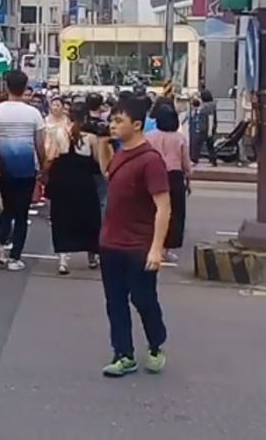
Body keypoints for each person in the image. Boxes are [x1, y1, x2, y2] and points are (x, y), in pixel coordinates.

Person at [99, 95, 172, 378]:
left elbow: (163, 207)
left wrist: (156, 248)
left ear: (137, 124)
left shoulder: (150, 160)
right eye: (112, 120)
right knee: (114, 301)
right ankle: (123, 354)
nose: (113, 125)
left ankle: (156, 344)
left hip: (138, 245)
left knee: (143, 298)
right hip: (110, 242)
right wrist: (104, 145)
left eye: (119, 121)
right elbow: (108, 176)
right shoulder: (120, 152)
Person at [0, 69, 47, 271]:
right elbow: (40, 144)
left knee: (8, 207)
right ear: (25, 87)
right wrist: (43, 167)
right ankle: (14, 257)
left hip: (2, 168)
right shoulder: (34, 113)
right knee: (21, 213)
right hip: (26, 168)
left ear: (7, 86)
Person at [44, 104, 102, 275]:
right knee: (90, 218)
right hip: (84, 183)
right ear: (85, 117)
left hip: (62, 182)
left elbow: (51, 156)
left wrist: (43, 173)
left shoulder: (58, 132)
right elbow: (98, 160)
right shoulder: (91, 137)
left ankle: (63, 259)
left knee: (61, 219)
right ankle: (92, 255)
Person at [146, 103, 191, 262]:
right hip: (174, 175)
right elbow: (186, 162)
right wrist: (188, 178)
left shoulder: (149, 136)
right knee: (175, 212)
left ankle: (150, 243)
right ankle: (168, 247)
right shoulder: (179, 138)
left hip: (152, 174)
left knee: (152, 210)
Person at [194, 90, 217, 167]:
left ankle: (195, 159)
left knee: (197, 144)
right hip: (209, 128)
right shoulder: (211, 104)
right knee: (210, 145)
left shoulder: (207, 106)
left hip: (205, 128)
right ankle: (213, 160)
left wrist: (209, 130)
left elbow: (210, 118)